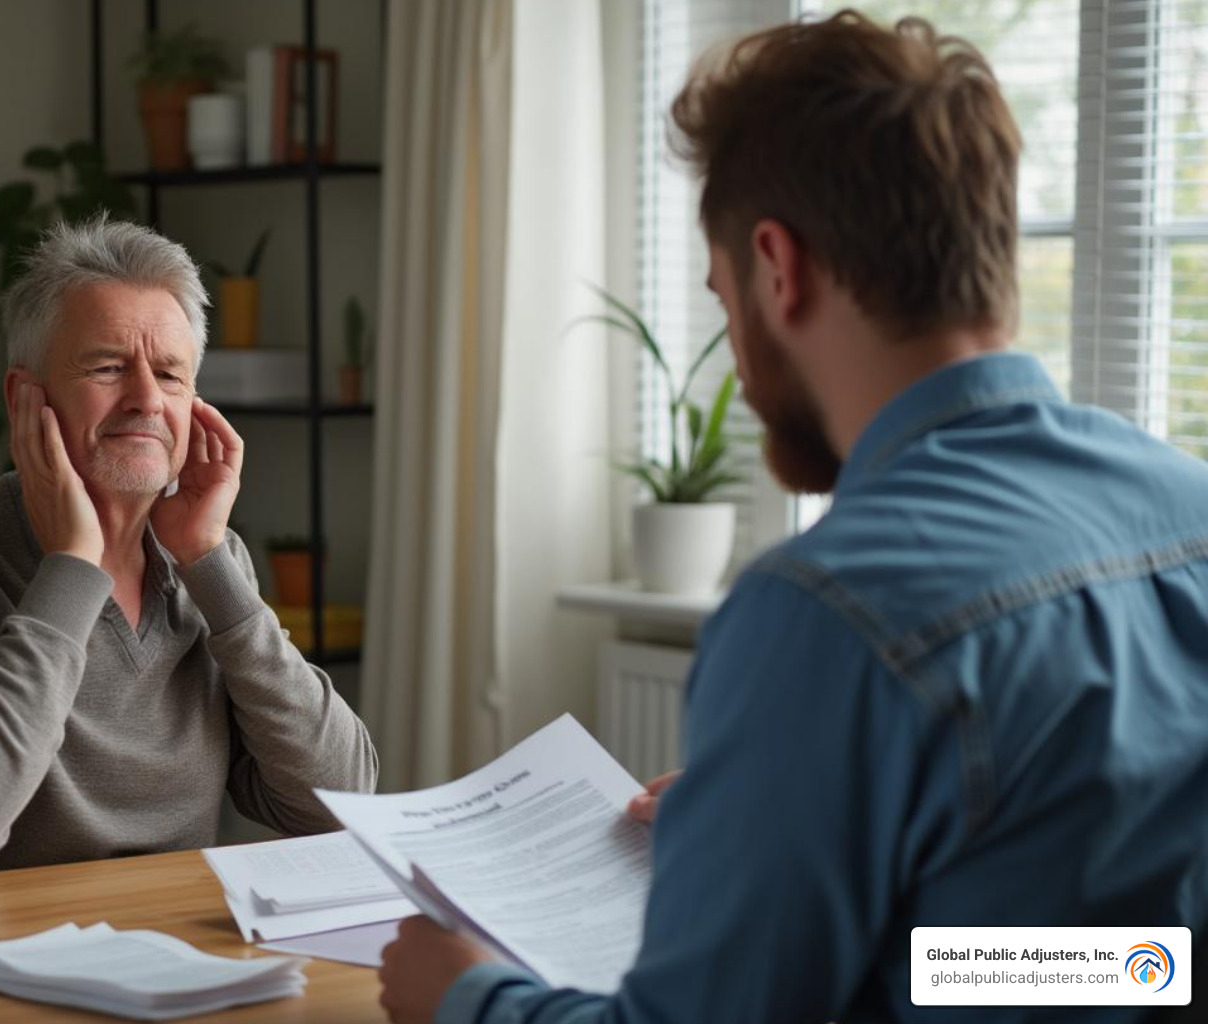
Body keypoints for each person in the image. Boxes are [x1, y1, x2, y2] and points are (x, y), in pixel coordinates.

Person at [377, 11, 1208, 1024]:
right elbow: (1143, 964)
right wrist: (797, 838)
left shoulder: (829, 609)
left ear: (778, 266)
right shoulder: (1191, 511)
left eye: (723, 298)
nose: (735, 349)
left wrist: (466, 996)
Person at [0, 217, 376, 885]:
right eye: (108, 367)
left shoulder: (207, 564)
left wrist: (210, 563)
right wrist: (72, 566)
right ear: (24, 397)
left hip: (156, 940)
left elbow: (342, 805)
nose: (146, 399)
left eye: (171, 375)